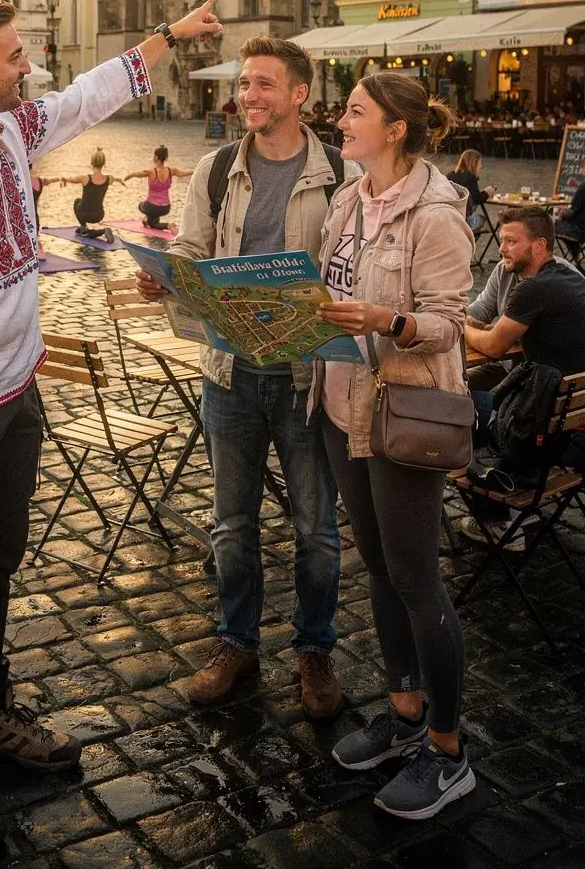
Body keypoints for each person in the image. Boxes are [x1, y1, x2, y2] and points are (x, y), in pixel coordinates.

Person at [0, 0, 221, 855]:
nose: (30, 66)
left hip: (15, 396)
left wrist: (168, 37)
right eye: (15, 54)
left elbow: (91, 95)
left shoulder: (11, 130)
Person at [136, 37, 350, 720]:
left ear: (298, 96)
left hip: (305, 378)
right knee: (232, 524)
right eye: (244, 83)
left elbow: (351, 270)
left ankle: (314, 649)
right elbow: (194, 246)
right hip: (230, 373)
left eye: (263, 84)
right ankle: (237, 641)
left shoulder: (340, 175)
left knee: (317, 530)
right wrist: (167, 274)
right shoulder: (218, 167)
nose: (248, 95)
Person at [314, 72, 476, 822]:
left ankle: (448, 751)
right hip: (341, 403)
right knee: (378, 568)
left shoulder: (436, 213)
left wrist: (390, 319)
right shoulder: (349, 197)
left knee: (416, 578)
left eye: (354, 112)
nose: (340, 120)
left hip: (402, 409)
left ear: (396, 129)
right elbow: (324, 289)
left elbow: (449, 323)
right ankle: (404, 711)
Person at [462, 208, 585, 546]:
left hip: (553, 434)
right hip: (566, 415)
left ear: (539, 245)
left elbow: (492, 345)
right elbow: (488, 317)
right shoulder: (569, 279)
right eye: (502, 241)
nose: (502, 249)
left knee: (457, 406)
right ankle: (516, 495)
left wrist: (459, 326)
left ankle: (501, 516)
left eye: (512, 241)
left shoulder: (536, 289)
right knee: (474, 385)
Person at [125, 145, 192, 229]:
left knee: (141, 205)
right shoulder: (171, 171)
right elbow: (184, 173)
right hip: (166, 208)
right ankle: (167, 225)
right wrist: (196, 170)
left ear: (156, 157)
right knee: (152, 224)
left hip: (151, 206)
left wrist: (127, 177)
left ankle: (147, 218)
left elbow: (136, 174)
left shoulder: (151, 172)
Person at [60, 148, 120, 241]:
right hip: (99, 215)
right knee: (80, 202)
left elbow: (72, 179)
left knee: (77, 201)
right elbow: (116, 179)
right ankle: (89, 229)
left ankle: (88, 228)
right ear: (103, 163)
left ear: (91, 163)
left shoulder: (85, 178)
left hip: (85, 214)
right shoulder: (109, 179)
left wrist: (64, 179)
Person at [447, 149, 496, 234]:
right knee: (483, 219)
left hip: (449, 217)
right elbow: (476, 199)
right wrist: (487, 193)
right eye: (479, 164)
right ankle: (469, 241)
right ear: (474, 164)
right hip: (463, 220)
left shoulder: (450, 175)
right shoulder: (470, 177)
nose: (480, 167)